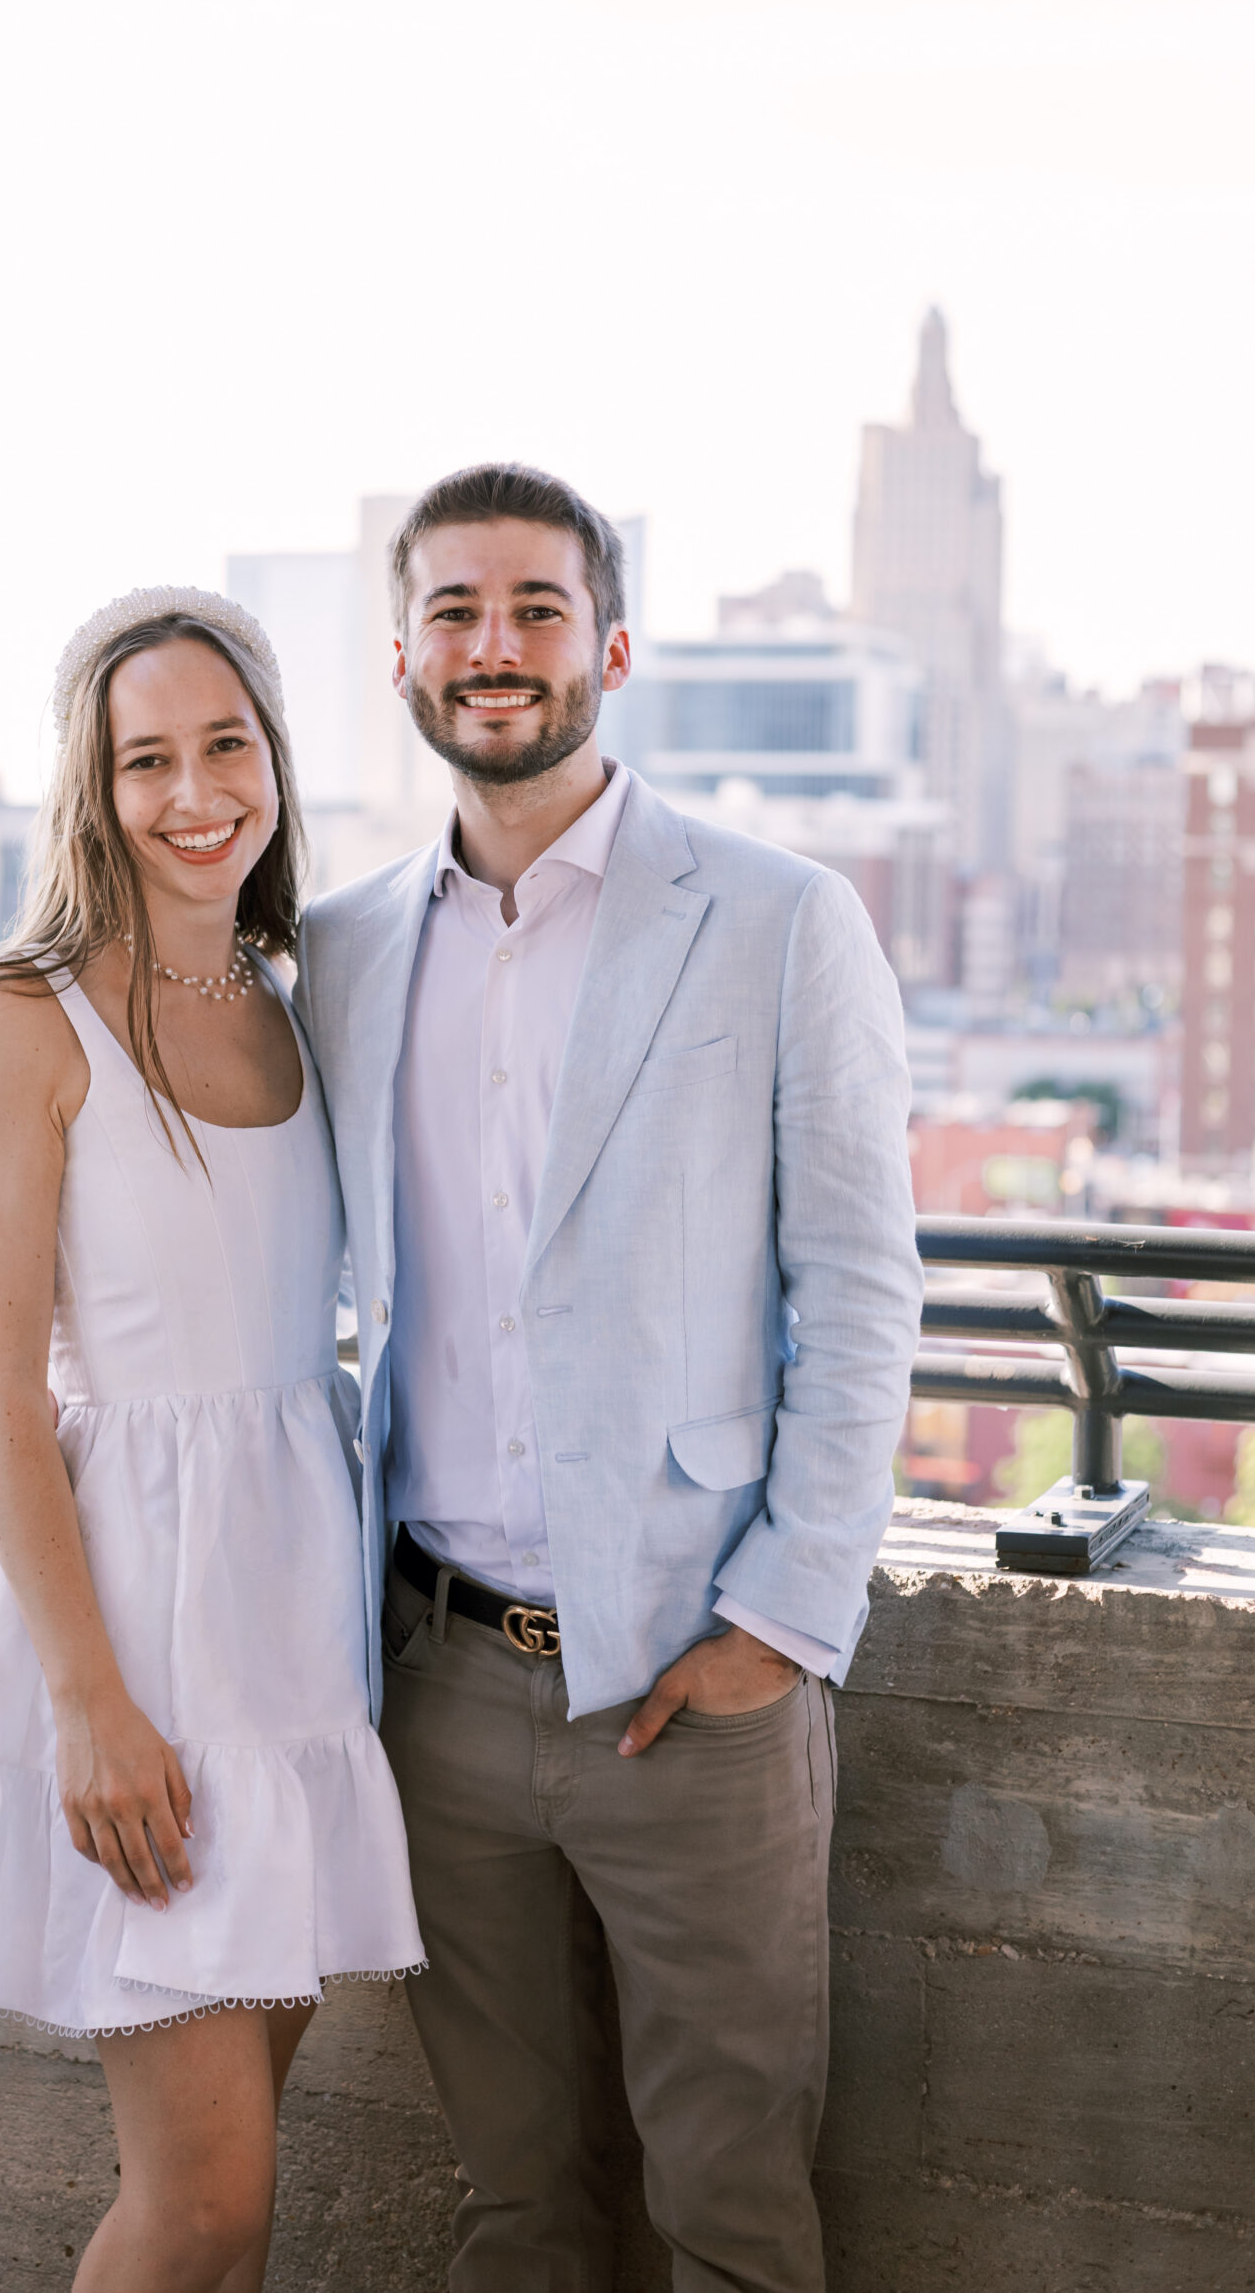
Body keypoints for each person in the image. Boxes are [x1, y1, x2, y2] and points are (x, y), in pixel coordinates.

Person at [295, 465, 923, 2293]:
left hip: (695, 1683)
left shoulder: (779, 917)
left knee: (730, 2212)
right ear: (401, 656)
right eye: (459, 614)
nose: (497, 649)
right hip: (436, 1680)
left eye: (539, 610)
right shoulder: (335, 951)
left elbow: (866, 1288)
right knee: (516, 2213)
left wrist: (781, 1625)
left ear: (613, 647)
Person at [0, 587, 422, 2293]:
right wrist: (87, 1706)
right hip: (135, 1650)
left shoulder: (296, 997)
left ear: (280, 762)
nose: (193, 790)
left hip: (294, 1647)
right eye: (146, 756)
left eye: (227, 743)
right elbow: (1, 1394)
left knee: (242, 2196)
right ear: (93, 783)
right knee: (202, 2201)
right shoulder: (20, 1019)